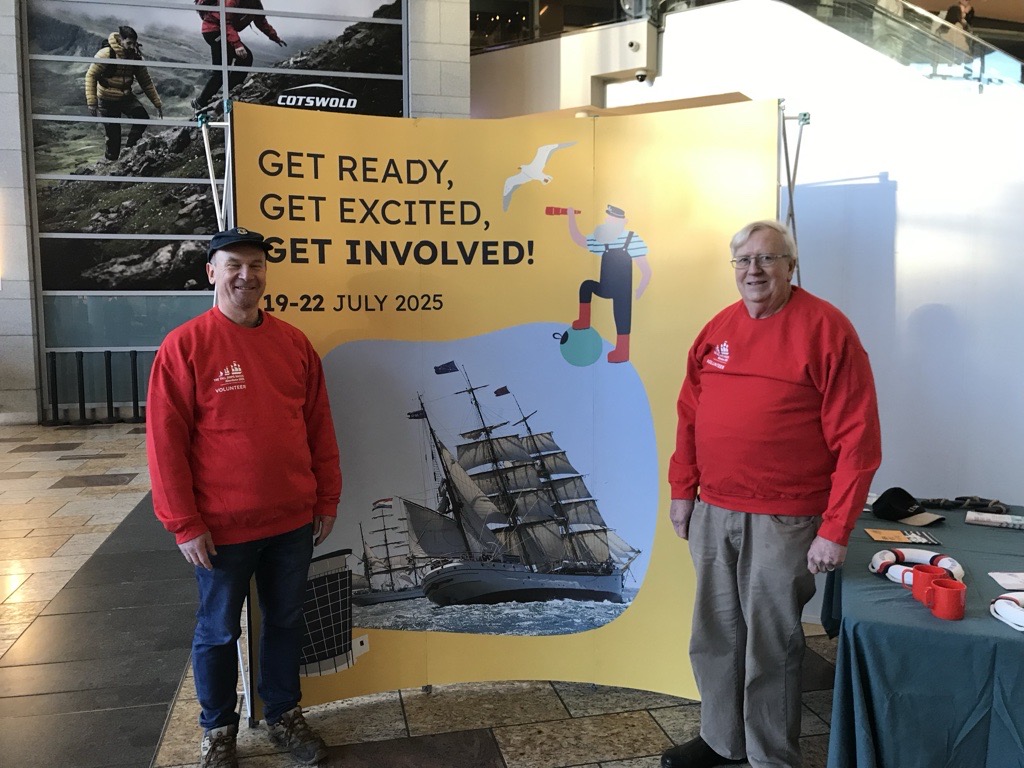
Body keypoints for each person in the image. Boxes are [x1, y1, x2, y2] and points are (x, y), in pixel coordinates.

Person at [664, 220, 881, 768]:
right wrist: (681, 489)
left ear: (791, 266)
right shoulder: (718, 328)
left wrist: (835, 529)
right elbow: (690, 415)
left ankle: (769, 757)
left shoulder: (827, 329)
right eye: (743, 260)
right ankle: (721, 741)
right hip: (714, 509)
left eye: (767, 259)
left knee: (771, 644)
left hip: (786, 516)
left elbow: (858, 437)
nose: (754, 270)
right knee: (714, 634)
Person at [146, 226, 341, 768]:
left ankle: (283, 714)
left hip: (292, 522)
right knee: (216, 630)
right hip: (221, 529)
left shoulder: (294, 343)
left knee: (285, 621)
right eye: (233, 264)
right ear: (211, 271)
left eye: (255, 266)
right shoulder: (185, 346)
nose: (245, 276)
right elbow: (165, 446)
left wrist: (327, 498)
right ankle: (218, 731)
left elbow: (319, 427)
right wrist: (183, 523)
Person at [564, 204, 652, 363]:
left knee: (622, 315)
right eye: (607, 218)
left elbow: (645, 267)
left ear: (622, 221)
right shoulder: (602, 238)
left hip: (623, 289)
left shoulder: (631, 239)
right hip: (606, 285)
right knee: (587, 286)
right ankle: (584, 320)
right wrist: (571, 218)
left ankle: (622, 350)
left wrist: (642, 285)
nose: (606, 220)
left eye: (610, 218)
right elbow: (579, 239)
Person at [84, 25, 163, 161]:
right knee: (113, 138)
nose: (132, 46)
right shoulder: (106, 54)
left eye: (134, 43)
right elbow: (91, 75)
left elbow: (146, 82)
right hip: (107, 99)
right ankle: (111, 166)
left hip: (125, 97)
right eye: (128, 43)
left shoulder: (136, 58)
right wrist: (92, 102)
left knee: (142, 118)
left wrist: (157, 103)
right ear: (121, 40)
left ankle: (129, 151)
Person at [192, 0, 287, 111]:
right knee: (236, 62)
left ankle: (218, 96)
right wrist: (237, 45)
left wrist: (274, 37)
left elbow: (260, 21)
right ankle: (212, 98)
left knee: (232, 65)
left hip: (219, 32)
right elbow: (225, 22)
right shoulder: (232, 1)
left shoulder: (255, 3)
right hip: (215, 31)